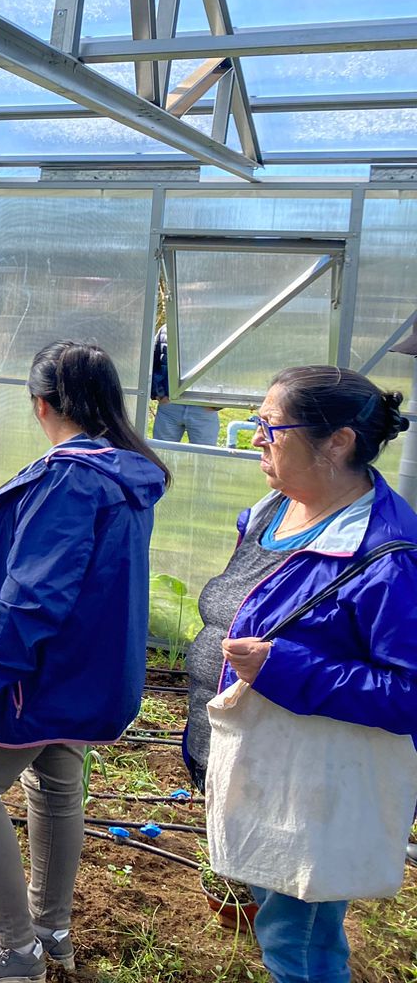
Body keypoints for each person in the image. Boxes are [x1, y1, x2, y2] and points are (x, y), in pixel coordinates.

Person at [0, 342, 169, 983]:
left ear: (41, 404)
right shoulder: (124, 472)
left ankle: (15, 946)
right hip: (81, 676)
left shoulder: (70, 477)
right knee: (56, 786)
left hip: (31, 678)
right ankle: (48, 926)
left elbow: (36, 590)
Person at [183, 366, 416, 983]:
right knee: (281, 922)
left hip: (312, 784)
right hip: (260, 762)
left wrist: (284, 667)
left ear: (337, 442)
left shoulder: (388, 557)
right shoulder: (272, 509)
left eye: (271, 426)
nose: (257, 437)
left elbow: (408, 694)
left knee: (299, 941)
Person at [151, 325, 222, 445]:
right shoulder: (166, 330)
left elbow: (226, 368)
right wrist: (160, 394)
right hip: (169, 407)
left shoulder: (215, 330)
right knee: (161, 455)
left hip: (204, 407)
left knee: (204, 459)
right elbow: (153, 363)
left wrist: (215, 404)